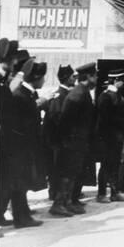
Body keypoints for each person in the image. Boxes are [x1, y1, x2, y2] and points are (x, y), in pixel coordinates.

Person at [10, 59, 47, 228]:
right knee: (19, 183)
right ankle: (21, 218)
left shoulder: (27, 94)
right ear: (36, 77)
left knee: (23, 182)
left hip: (26, 146)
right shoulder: (20, 95)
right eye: (43, 77)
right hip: (20, 147)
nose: (44, 81)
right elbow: (20, 125)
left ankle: (23, 215)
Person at [59, 62, 98, 214]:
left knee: (75, 172)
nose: (97, 79)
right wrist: (68, 142)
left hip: (79, 141)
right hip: (72, 142)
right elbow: (65, 120)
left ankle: (69, 201)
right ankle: (60, 204)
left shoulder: (83, 92)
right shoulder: (77, 94)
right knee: (69, 173)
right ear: (88, 76)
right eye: (95, 76)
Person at [45, 65, 76, 217]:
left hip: (65, 141)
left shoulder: (66, 94)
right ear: (66, 78)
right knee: (61, 173)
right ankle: (58, 204)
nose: (75, 79)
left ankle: (65, 201)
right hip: (60, 142)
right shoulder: (59, 95)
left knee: (66, 172)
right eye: (72, 77)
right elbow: (56, 119)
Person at [95, 69, 124, 203]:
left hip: (117, 136)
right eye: (122, 80)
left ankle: (115, 192)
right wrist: (122, 121)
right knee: (105, 165)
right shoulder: (105, 96)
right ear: (116, 81)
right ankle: (101, 194)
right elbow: (104, 119)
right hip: (107, 138)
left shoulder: (118, 95)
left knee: (115, 164)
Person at [0, 38, 19, 227]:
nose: (15, 64)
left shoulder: (2, 80)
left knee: (3, 179)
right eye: (13, 60)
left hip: (4, 141)